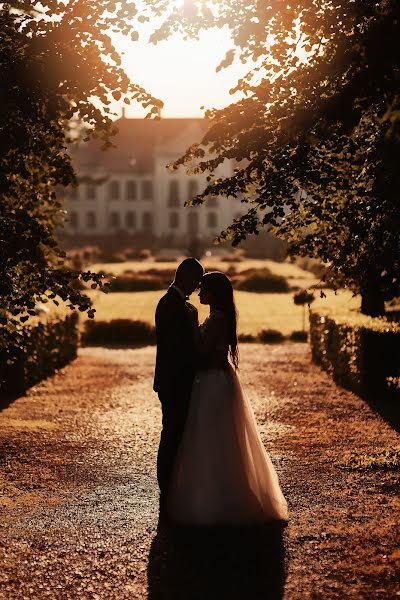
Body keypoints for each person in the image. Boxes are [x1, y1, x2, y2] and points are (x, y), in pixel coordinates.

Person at [167, 271, 288, 525]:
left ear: (214, 294)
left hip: (214, 382)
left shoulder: (218, 318)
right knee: (213, 437)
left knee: (215, 437)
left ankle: (222, 499)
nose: (200, 293)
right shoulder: (218, 317)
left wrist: (192, 322)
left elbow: (201, 347)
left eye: (204, 290)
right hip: (211, 380)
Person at [153, 257, 204, 515]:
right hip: (174, 380)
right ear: (185, 276)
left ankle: (173, 483)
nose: (197, 286)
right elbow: (177, 348)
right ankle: (167, 486)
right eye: (196, 280)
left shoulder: (176, 304)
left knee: (176, 432)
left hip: (176, 379)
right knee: (171, 432)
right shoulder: (170, 304)